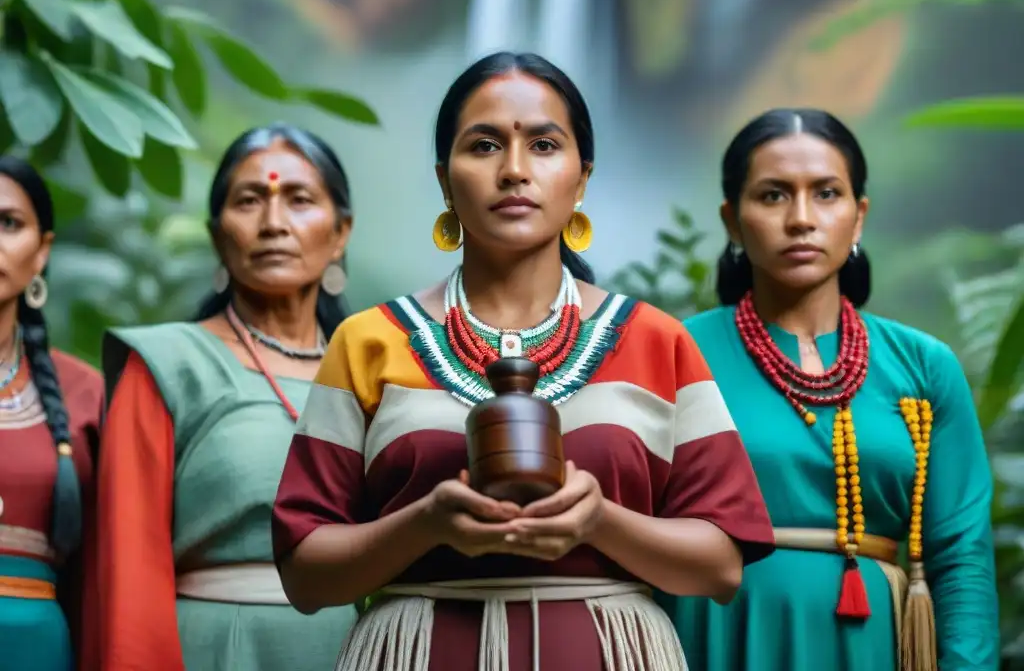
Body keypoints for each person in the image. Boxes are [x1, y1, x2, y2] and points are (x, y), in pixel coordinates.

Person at [271, 51, 776, 671]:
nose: (514, 171)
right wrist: (425, 523)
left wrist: (600, 522)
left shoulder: (655, 340)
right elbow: (303, 573)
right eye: (484, 147)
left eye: (543, 146)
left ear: (581, 178)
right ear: (444, 179)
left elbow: (721, 566)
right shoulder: (367, 342)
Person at [659, 108, 999, 671]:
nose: (801, 219)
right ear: (732, 221)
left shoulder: (924, 366)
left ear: (858, 215)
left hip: (874, 644)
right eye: (772, 196)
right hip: (713, 635)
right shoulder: (673, 352)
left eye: (826, 194)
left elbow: (961, 558)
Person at [94, 124, 359, 670]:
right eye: (249, 200)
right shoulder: (168, 365)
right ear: (218, 236)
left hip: (356, 647)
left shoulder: (374, 370)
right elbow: (129, 566)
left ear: (340, 233)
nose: (273, 223)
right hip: (217, 646)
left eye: (300, 200)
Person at [0, 156, 104, 671]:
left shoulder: (85, 392)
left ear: (42, 251)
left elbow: (105, 563)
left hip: (36, 645)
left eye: (8, 224)